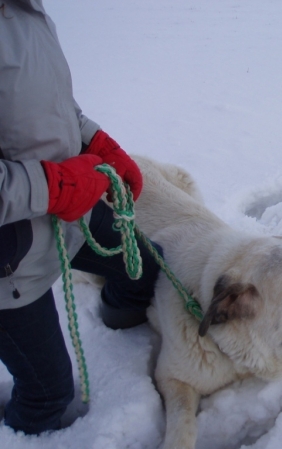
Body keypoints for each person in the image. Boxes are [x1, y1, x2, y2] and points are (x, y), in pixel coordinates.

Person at [0, 0, 163, 434]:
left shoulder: (27, 13)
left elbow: (55, 105)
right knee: (48, 395)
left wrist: (95, 141)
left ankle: (118, 333)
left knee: (147, 268)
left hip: (64, 219)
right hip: (8, 264)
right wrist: (53, 187)